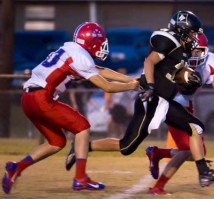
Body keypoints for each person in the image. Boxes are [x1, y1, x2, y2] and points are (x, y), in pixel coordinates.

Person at [65, 11, 214, 188]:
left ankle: (204, 173)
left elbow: (176, 74)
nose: (194, 38)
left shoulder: (186, 52)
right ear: (182, 30)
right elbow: (149, 62)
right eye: (191, 33)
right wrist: (150, 86)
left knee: (192, 129)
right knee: (127, 146)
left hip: (164, 101)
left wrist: (208, 84)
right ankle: (82, 146)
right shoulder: (170, 42)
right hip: (152, 98)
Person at [1, 22, 139, 194]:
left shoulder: (72, 50)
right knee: (82, 127)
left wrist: (132, 80)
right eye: (101, 41)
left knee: (56, 142)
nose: (103, 45)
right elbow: (107, 87)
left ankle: (16, 167)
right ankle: (80, 178)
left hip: (28, 99)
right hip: (41, 97)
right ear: (90, 41)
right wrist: (132, 87)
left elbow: (100, 70)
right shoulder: (81, 57)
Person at [146, 33, 214, 195]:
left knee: (198, 152)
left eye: (199, 51)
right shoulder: (176, 56)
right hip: (170, 102)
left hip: (186, 103)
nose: (195, 54)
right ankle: (158, 187)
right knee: (187, 150)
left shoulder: (213, 63)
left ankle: (157, 153)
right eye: (192, 50)